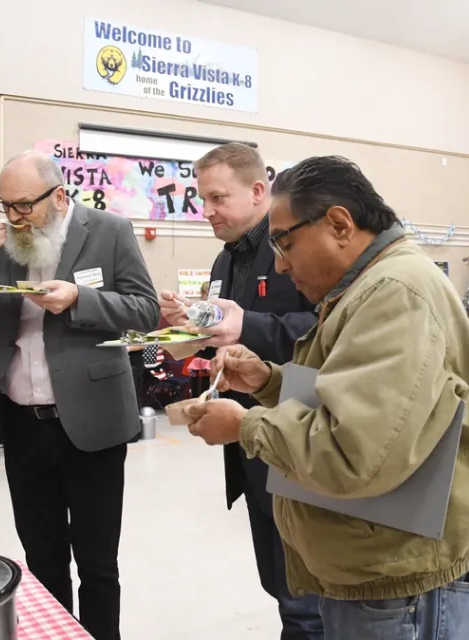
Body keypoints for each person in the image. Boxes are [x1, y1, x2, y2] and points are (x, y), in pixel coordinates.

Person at [184, 156, 469, 640]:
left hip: (402, 586)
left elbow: (355, 449)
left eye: (286, 242)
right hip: (382, 568)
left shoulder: (394, 292)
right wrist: (268, 381)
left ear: (339, 223)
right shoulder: (368, 284)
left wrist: (244, 426)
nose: (279, 262)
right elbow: (357, 395)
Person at [0, 151, 160, 640]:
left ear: (59, 196)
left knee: (98, 562)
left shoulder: (108, 231)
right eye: (6, 205)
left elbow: (145, 309)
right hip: (21, 423)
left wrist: (80, 299)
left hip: (94, 421)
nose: (15, 217)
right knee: (42, 558)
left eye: (25, 205)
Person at [160, 143, 322, 639]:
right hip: (248, 439)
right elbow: (224, 332)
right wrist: (187, 328)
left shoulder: (297, 248)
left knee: (305, 595)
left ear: (258, 191)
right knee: (276, 580)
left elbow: (325, 327)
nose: (205, 211)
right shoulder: (224, 261)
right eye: (200, 199)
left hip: (299, 433)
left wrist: (245, 326)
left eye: (216, 198)